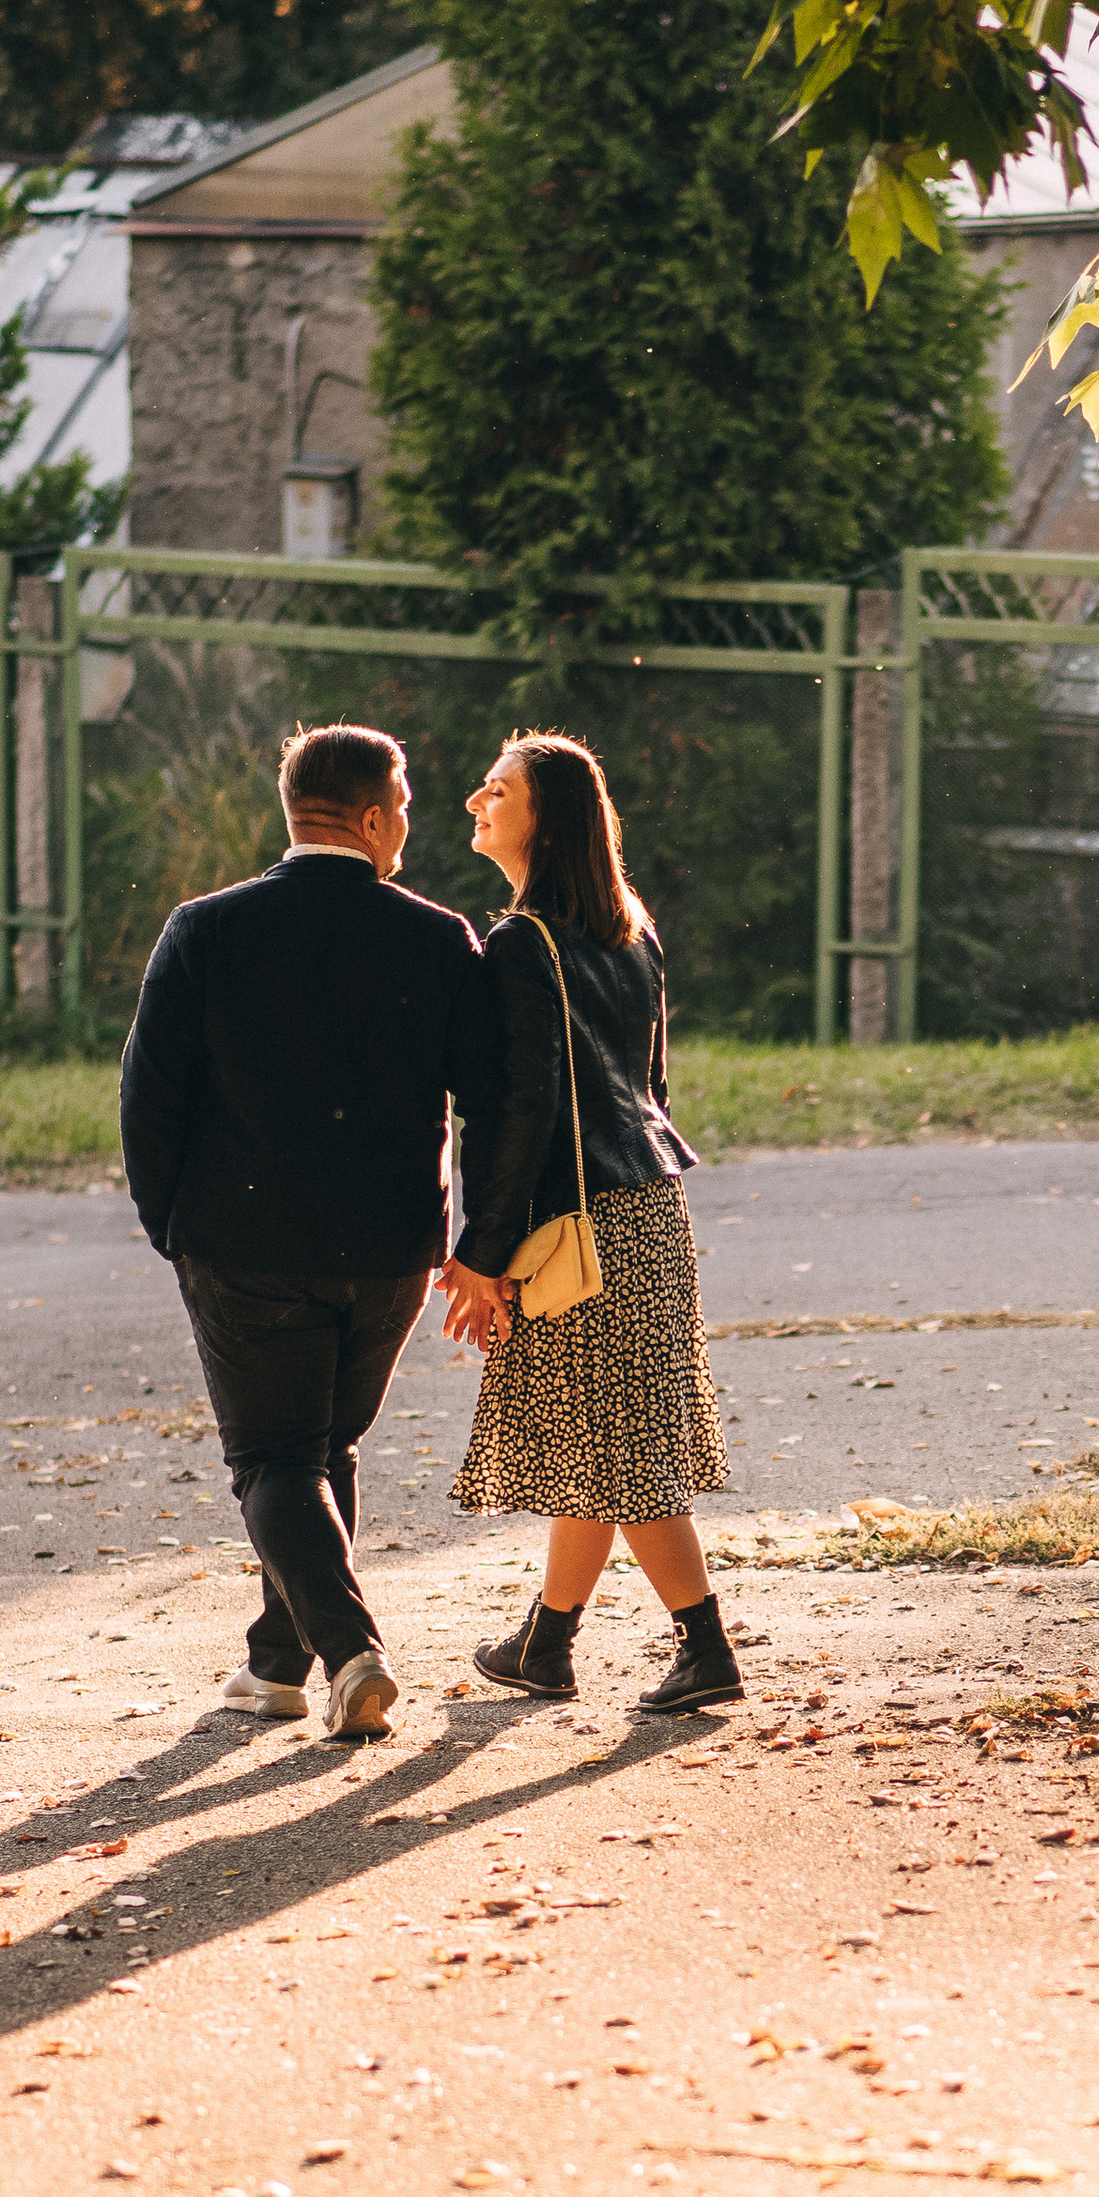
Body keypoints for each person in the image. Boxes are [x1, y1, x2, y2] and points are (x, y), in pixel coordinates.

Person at [120, 719, 494, 1741]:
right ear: (372, 818)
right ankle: (275, 1664)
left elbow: (148, 1103)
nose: (409, 824)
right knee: (326, 1451)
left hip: (242, 1242)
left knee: (277, 1460)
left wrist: (175, 1230)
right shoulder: (436, 936)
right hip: (389, 1251)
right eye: (406, 808)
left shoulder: (204, 930)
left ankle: (351, 1653)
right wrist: (473, 1238)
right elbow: (489, 1102)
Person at [438, 730, 740, 1715]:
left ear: (545, 815)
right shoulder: (632, 932)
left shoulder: (523, 945)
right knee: (600, 1431)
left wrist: (481, 1256)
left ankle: (704, 1648)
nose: (477, 798)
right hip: (652, 1205)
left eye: (500, 787)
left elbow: (519, 1111)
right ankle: (545, 1640)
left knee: (618, 1446)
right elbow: (650, 1086)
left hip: (583, 1218)